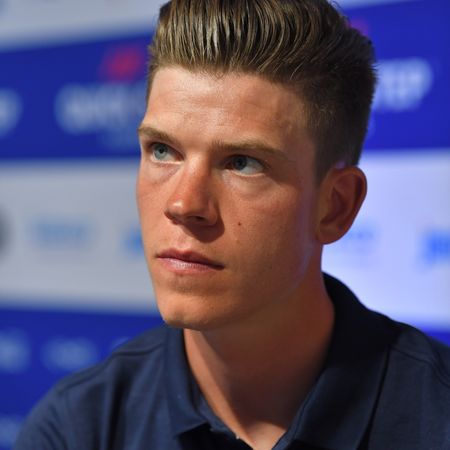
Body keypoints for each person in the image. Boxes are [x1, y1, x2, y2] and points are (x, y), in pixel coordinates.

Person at [15, 1, 450, 449]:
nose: (184, 204)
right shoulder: (76, 428)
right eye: (163, 151)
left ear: (336, 207)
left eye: (242, 162)